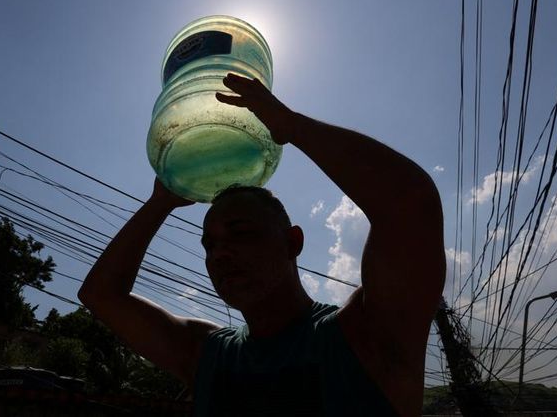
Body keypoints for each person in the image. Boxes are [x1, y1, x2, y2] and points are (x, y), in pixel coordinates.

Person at [78, 73, 445, 416]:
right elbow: (100, 296)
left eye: (241, 232)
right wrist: (160, 202)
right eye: (209, 244)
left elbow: (409, 203)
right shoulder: (210, 354)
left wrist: (291, 126)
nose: (219, 253)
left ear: (293, 242)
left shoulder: (362, 337)